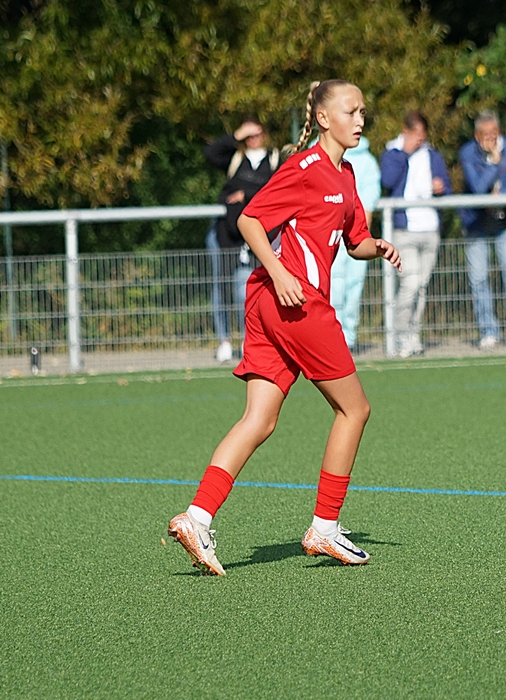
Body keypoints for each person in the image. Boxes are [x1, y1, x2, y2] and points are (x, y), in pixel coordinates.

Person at [167, 79, 402, 576]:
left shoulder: (347, 173)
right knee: (354, 409)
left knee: (260, 419)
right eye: (351, 111)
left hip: (269, 304)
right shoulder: (304, 168)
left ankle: (196, 517)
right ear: (324, 118)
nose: (360, 120)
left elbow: (353, 240)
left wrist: (377, 247)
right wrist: (279, 272)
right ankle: (325, 527)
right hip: (295, 304)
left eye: (363, 111)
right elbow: (250, 220)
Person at [458, 110, 506, 350]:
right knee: (479, 278)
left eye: (494, 133)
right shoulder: (468, 153)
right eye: (485, 134)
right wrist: (493, 163)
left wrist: (502, 194)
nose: (490, 138)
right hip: (477, 224)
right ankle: (488, 332)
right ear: (476, 135)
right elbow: (478, 188)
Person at [204, 119, 281, 363]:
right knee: (221, 286)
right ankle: (224, 341)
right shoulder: (235, 158)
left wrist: (246, 195)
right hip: (226, 234)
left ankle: (251, 340)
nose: (253, 139)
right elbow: (211, 153)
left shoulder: (275, 160)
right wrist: (237, 135)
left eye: (257, 133)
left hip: (258, 235)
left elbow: (278, 191)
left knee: (247, 289)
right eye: (249, 135)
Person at [381, 112, 452, 358]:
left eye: (423, 135)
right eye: (415, 134)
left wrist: (440, 187)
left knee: (421, 287)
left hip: (429, 229)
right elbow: (388, 181)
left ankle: (414, 335)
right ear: (406, 131)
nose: (419, 139)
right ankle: (399, 335)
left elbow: (447, 187)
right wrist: (405, 154)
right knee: (409, 284)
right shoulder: (392, 153)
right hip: (405, 230)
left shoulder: (432, 155)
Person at [329, 135, 380, 352]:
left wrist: (356, 233)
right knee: (332, 287)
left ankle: (347, 339)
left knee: (353, 287)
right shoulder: (317, 155)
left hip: (353, 236)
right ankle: (332, 337)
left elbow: (367, 203)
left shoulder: (367, 161)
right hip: (328, 236)